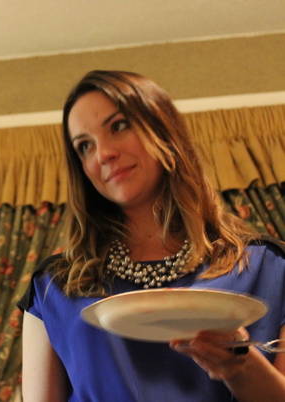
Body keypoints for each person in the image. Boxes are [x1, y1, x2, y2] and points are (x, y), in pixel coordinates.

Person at [18, 70, 285, 401]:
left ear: (163, 130)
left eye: (118, 126)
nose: (103, 154)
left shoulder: (267, 268)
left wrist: (239, 368)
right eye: (85, 146)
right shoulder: (54, 288)